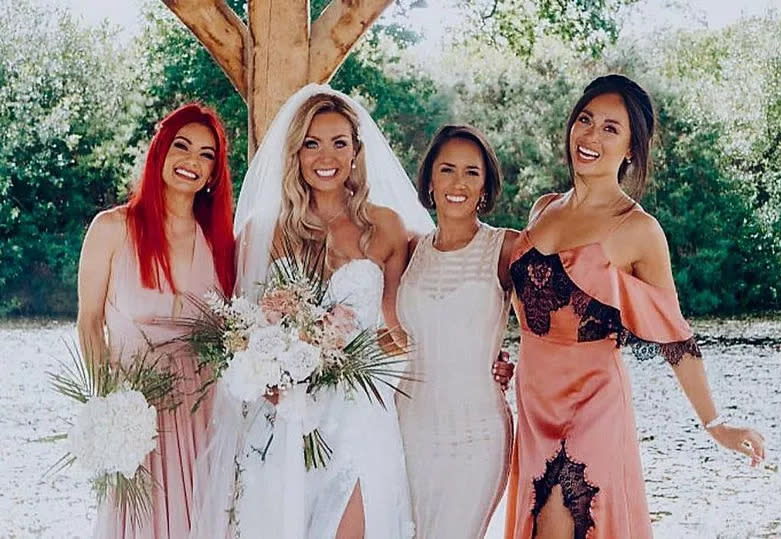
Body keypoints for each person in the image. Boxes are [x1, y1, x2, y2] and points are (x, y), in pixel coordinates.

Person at [504, 74, 766, 539]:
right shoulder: (543, 209)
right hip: (533, 401)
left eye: (610, 128)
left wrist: (715, 423)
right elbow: (515, 302)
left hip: (592, 404)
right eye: (585, 120)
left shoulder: (638, 230)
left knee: (560, 522)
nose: (591, 135)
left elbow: (675, 336)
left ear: (630, 149)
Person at [191, 84, 433, 539]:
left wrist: (345, 353)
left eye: (340, 143)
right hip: (288, 416)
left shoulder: (385, 226)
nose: (327, 155)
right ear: (296, 153)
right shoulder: (267, 231)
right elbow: (244, 328)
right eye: (312, 143)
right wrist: (264, 370)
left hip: (361, 413)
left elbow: (400, 328)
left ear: (357, 151)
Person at [77, 103, 235, 538]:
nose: (191, 161)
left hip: (205, 413)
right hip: (137, 413)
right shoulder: (111, 228)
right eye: (181, 146)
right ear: (159, 152)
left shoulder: (223, 242)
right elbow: (90, 323)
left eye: (206, 155)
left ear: (214, 173)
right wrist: (107, 405)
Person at [396, 124, 517, 538]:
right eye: (447, 169)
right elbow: (384, 332)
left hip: (477, 432)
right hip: (408, 427)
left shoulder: (507, 248)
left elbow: (548, 326)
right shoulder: (409, 249)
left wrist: (514, 364)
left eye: (472, 172)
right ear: (429, 178)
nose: (458, 183)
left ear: (485, 184)